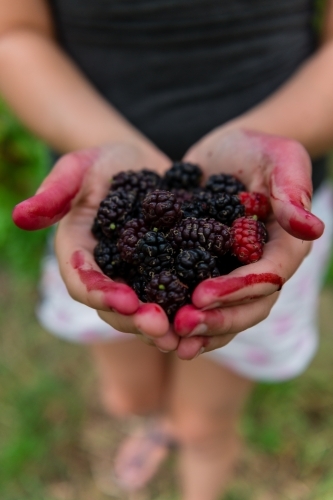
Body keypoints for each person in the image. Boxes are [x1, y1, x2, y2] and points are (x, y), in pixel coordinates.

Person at [3, 0, 333, 497]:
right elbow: (13, 33)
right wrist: (102, 140)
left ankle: (199, 460)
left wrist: (278, 135)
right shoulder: (133, 229)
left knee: (204, 422)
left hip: (270, 188)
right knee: (128, 396)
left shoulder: (227, 224)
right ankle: (156, 426)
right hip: (97, 200)